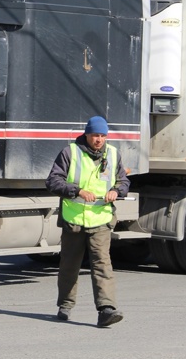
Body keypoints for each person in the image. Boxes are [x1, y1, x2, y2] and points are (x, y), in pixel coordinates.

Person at [45, 116, 130, 327]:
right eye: (95, 136)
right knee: (69, 266)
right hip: (73, 220)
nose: (99, 140)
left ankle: (106, 309)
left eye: (102, 136)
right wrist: (78, 191)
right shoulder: (70, 152)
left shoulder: (112, 154)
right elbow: (53, 181)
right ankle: (65, 304)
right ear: (87, 134)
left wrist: (116, 191)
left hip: (101, 219)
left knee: (102, 264)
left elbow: (123, 181)